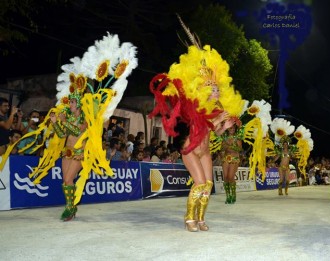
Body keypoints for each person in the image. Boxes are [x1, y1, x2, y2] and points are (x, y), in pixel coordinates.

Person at [0, 34, 138, 222]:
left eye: (73, 101)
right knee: (66, 182)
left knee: (67, 180)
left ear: (79, 104)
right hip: (67, 151)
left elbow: (77, 132)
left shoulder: (85, 118)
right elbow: (62, 134)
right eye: (71, 100)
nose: (71, 102)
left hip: (80, 153)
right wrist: (56, 122)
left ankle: (70, 209)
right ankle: (71, 208)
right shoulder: (67, 115)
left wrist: (62, 121)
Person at [148, 16, 245, 232]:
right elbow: (198, 124)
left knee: (208, 186)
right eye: (213, 88)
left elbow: (216, 133)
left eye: (218, 88)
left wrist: (224, 126)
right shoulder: (192, 106)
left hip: (206, 151)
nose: (217, 91)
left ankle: (200, 219)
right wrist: (218, 120)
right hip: (190, 149)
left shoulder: (214, 110)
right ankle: (188, 218)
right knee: (200, 183)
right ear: (203, 89)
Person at [220, 124, 242, 204]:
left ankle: (233, 194)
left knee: (230, 177)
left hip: (234, 159)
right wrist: (224, 148)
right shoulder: (224, 138)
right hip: (225, 158)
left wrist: (229, 146)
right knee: (225, 177)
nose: (231, 129)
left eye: (233, 127)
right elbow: (221, 148)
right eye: (230, 127)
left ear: (235, 128)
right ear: (227, 128)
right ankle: (228, 196)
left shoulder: (237, 138)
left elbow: (240, 149)